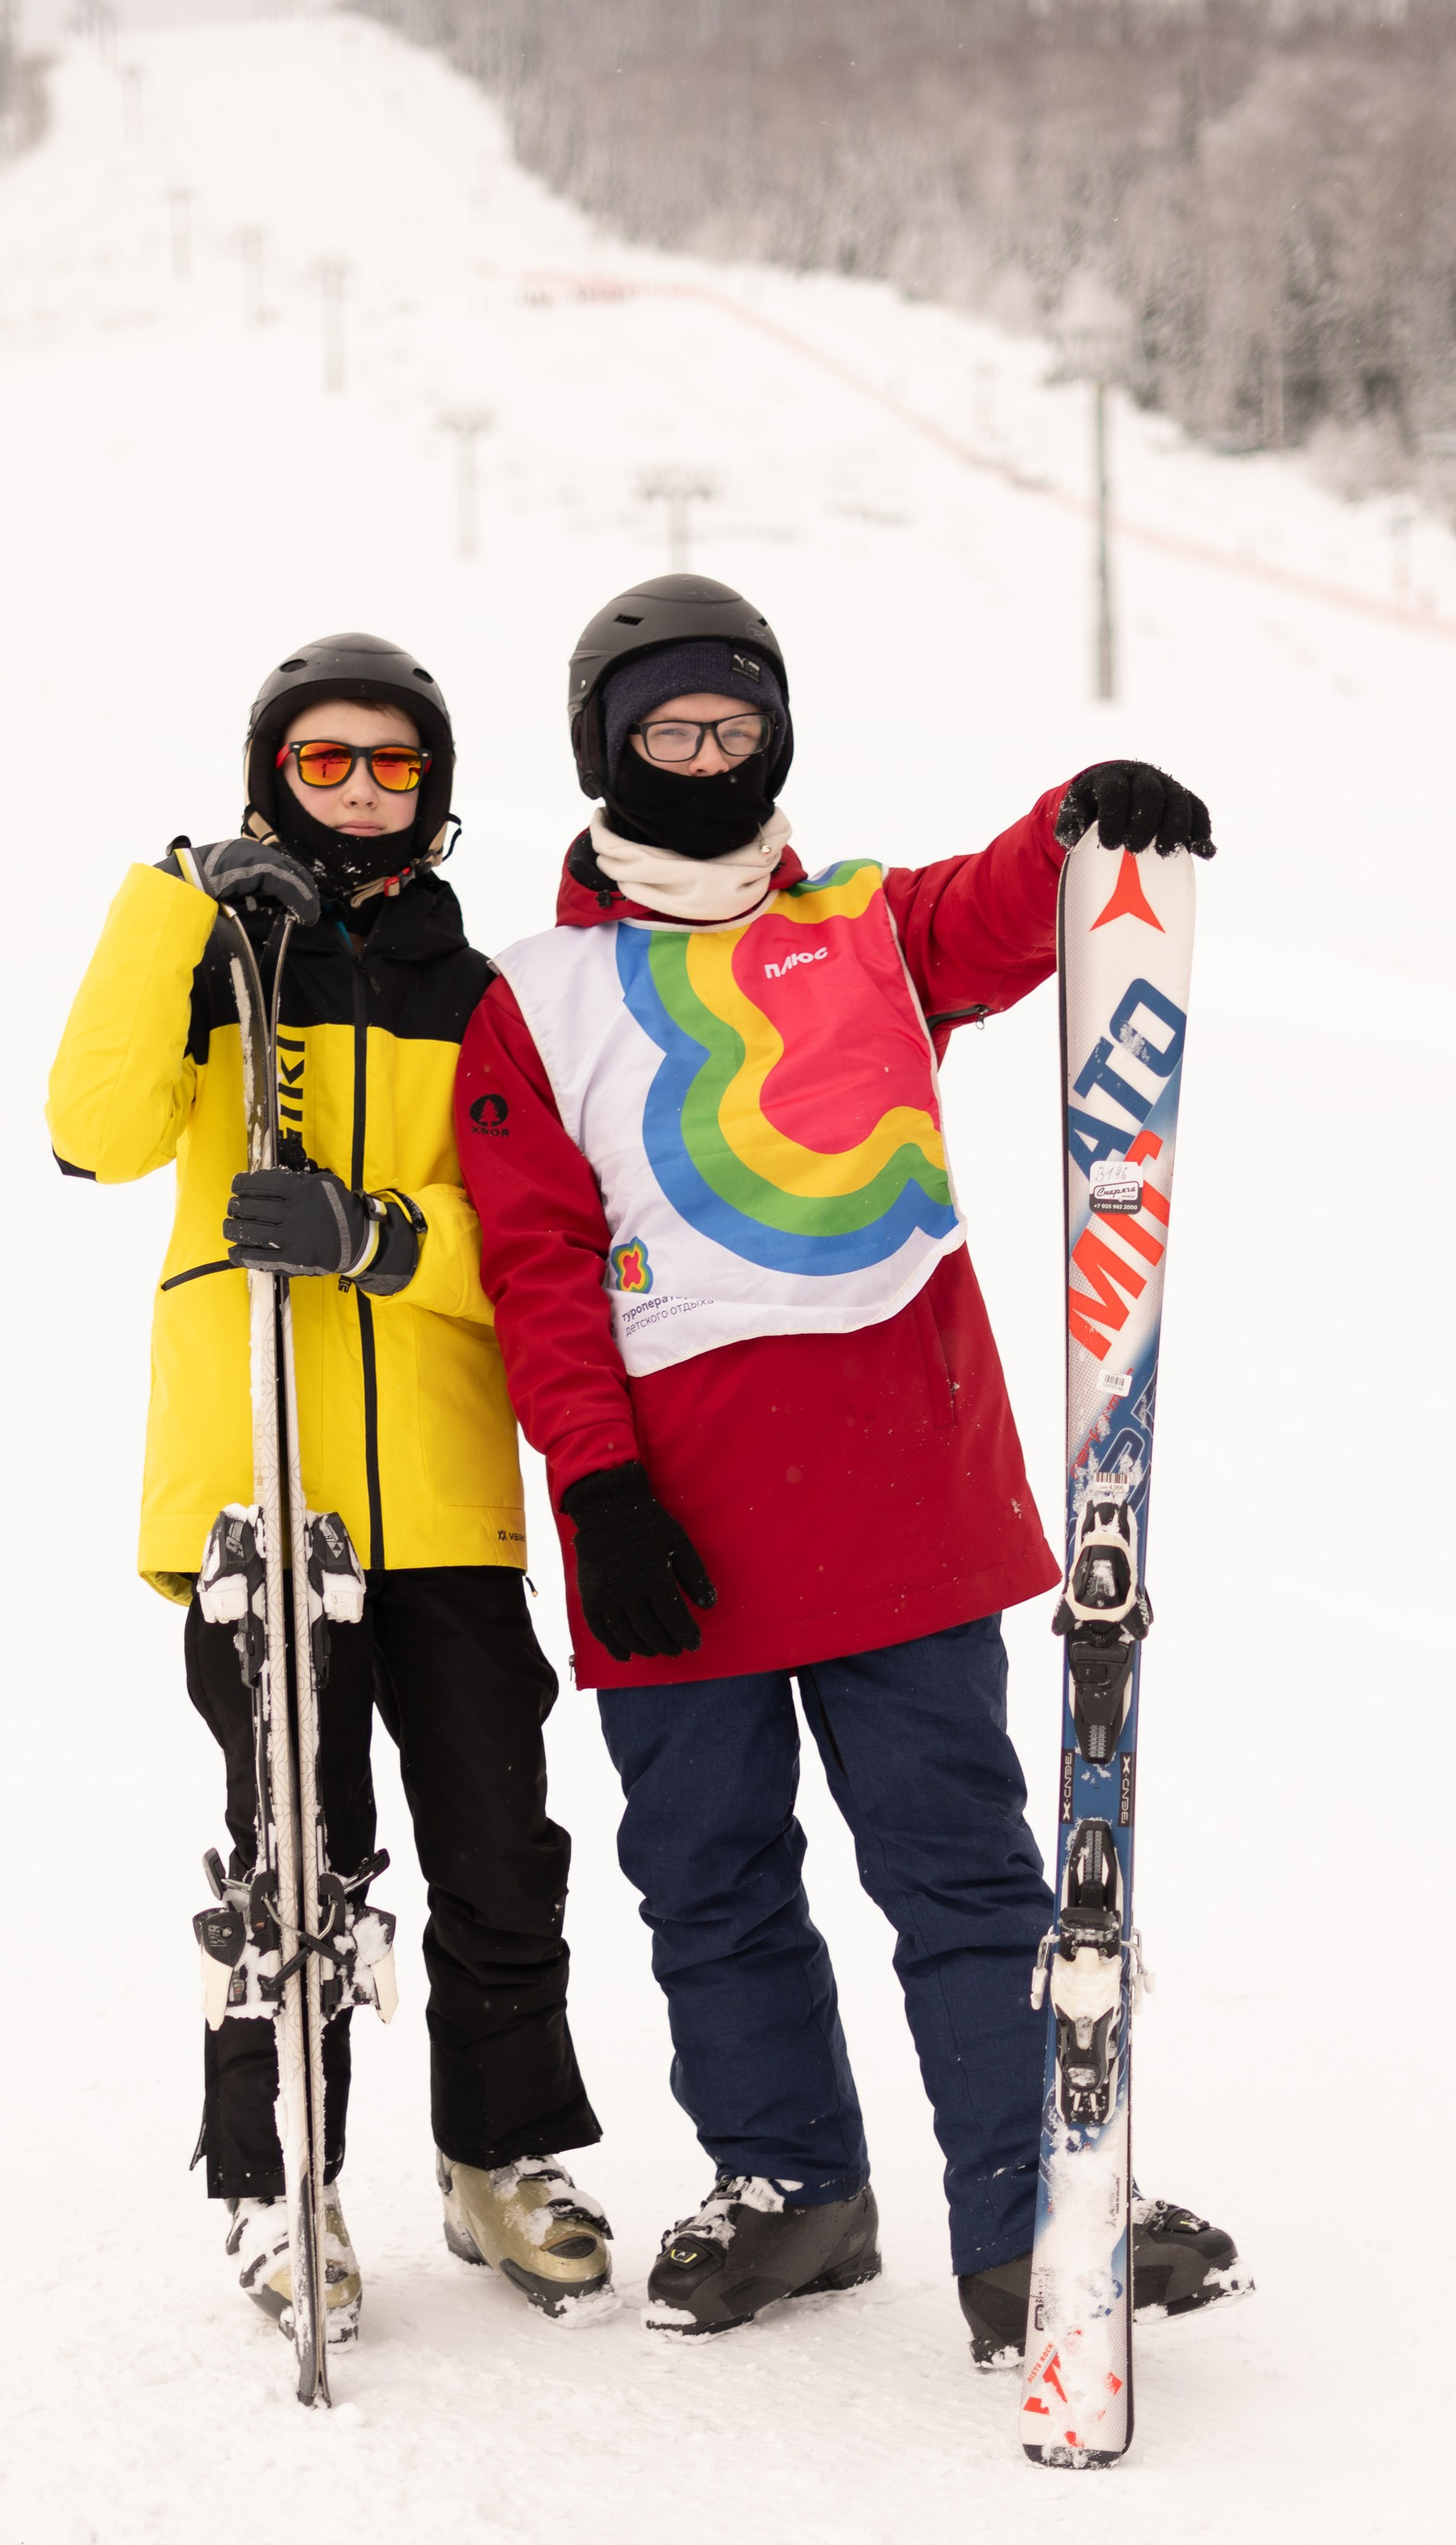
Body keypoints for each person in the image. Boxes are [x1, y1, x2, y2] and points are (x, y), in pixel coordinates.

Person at [453, 572, 1245, 2356]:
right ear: (602, 749)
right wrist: (593, 1482)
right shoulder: (538, 993)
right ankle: (790, 2185)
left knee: (955, 1865)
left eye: (737, 727)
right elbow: (535, 1264)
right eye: (668, 731)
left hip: (894, 1490)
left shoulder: (867, 928)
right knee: (710, 1872)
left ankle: (1023, 2212)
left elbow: (992, 910)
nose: (708, 759)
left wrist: (1080, 823)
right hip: (665, 1516)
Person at [46, 630, 613, 2347]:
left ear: (434, 793)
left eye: (391, 765)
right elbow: (94, 1130)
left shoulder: (484, 993)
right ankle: (275, 2181)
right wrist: (177, 909)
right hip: (254, 1487)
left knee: (497, 1851)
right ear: (266, 777)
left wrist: (378, 1242)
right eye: (322, 762)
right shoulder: (211, 961)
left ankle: (498, 2158)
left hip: (439, 1491)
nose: (359, 790)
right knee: (293, 1859)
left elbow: (534, 1245)